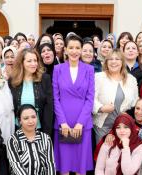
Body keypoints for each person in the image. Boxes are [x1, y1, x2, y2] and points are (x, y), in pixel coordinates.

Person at [53, 35, 94, 174]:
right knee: (64, 165)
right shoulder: (57, 69)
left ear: (82, 50)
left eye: (77, 48)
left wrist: (80, 123)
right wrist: (62, 122)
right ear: (65, 49)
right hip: (63, 122)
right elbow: (55, 98)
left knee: (80, 166)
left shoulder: (89, 70)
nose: (74, 51)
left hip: (82, 123)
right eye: (71, 47)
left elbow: (90, 98)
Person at [93, 49, 138, 143]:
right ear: (106, 62)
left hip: (123, 128)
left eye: (117, 59)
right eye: (110, 59)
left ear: (122, 62)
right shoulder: (98, 77)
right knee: (102, 155)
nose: (114, 62)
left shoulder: (131, 79)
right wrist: (101, 108)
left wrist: (128, 113)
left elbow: (135, 101)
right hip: (103, 127)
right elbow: (91, 99)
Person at [9, 48, 53, 137]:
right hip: (18, 130)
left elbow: (49, 107)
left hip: (40, 130)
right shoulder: (12, 81)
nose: (33, 64)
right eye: (29, 61)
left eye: (35, 60)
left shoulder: (45, 79)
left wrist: (47, 133)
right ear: (22, 63)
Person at [7, 104, 55, 175]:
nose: (31, 121)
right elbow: (17, 167)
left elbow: (50, 164)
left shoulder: (46, 139)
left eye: (33, 117)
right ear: (19, 121)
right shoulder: (13, 140)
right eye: (26, 118)